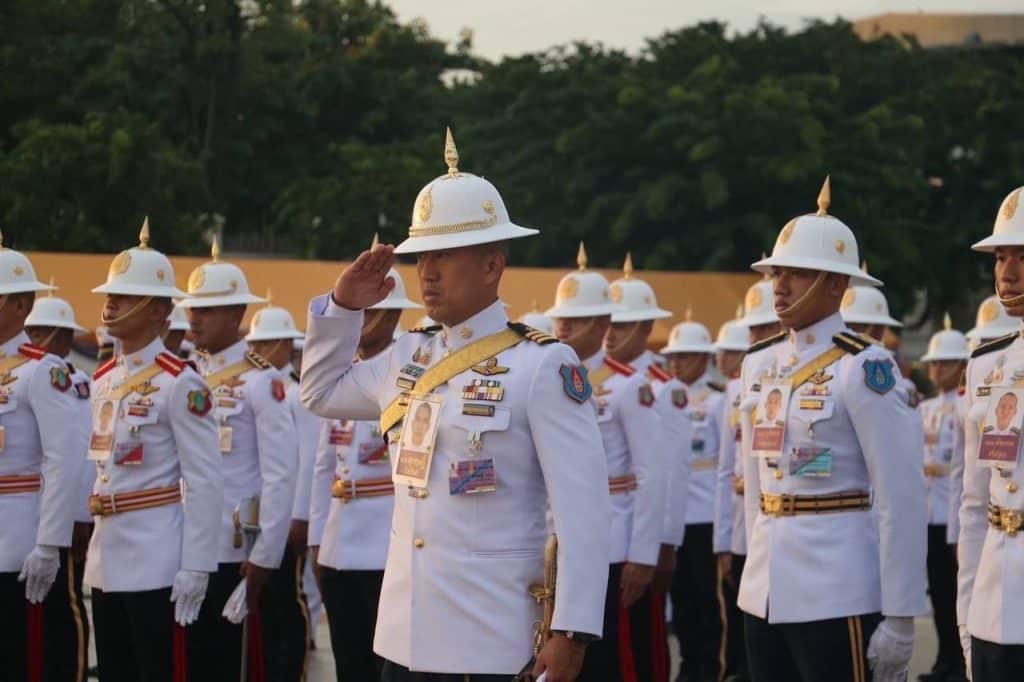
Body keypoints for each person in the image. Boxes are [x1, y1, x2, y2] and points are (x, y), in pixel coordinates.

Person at [300, 129, 610, 681]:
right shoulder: (407, 355)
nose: (428, 272)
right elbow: (320, 393)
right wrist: (343, 306)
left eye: (445, 254)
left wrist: (571, 631)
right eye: (422, 257)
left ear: (493, 265)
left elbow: (583, 512)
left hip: (487, 632)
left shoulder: (542, 365)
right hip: (405, 627)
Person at [739, 178, 927, 682]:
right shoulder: (759, 364)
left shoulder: (863, 368)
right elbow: (755, 482)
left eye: (797, 274)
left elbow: (899, 495)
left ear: (837, 285)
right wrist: (751, 564)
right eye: (776, 273)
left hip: (836, 585)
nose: (779, 286)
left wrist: (901, 613)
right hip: (764, 587)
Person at [85, 219, 223, 682]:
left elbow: (204, 480)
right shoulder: (104, 381)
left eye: (123, 296)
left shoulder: (179, 384)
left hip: (157, 558)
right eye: (111, 293)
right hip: (109, 555)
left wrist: (198, 565)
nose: (110, 303)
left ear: (156, 310)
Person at [178, 238, 298, 682]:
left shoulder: (260, 382)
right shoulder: (186, 376)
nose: (195, 318)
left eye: (208, 309)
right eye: (193, 308)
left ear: (236, 315)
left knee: (234, 663)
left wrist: (266, 555)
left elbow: (281, 474)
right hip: (186, 543)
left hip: (234, 548)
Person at [308, 255, 421, 680]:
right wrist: (319, 541)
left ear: (393, 314)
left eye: (374, 311)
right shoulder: (347, 379)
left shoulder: (409, 377)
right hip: (341, 541)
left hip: (385, 543)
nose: (364, 320)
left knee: (387, 667)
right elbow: (324, 469)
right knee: (348, 663)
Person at [604, 252, 690, 682]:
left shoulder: (663, 388)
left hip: (642, 536)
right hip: (611, 531)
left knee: (641, 643)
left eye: (620, 325)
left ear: (644, 328)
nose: (610, 334)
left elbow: (670, 472)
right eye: (607, 322)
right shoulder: (597, 379)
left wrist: (664, 545)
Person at [0, 239, 81, 682]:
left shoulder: (41, 371)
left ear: (20, 304)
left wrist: (50, 542)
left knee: (24, 658)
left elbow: (62, 459)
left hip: (18, 538)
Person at [959, 185, 1024, 681]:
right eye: (1001, 256)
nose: (1007, 271)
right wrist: (966, 612)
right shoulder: (987, 363)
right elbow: (974, 502)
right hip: (994, 597)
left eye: (1022, 255)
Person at [25, 290, 94, 682]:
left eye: (45, 332)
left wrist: (79, 514)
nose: (36, 339)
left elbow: (81, 448)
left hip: (56, 510)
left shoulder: (71, 381)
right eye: (32, 331)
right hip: (24, 509)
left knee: (65, 603)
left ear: (66, 339)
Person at [245, 296, 315, 681]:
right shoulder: (255, 387)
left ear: (287, 345)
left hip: (286, 518)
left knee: (287, 602)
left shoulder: (296, 392)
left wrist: (299, 516)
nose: (257, 351)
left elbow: (304, 461)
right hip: (259, 516)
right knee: (262, 608)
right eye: (255, 344)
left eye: (266, 343)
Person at [660, 313, 726, 682]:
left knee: (707, 599)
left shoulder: (716, 401)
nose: (677, 362)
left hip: (705, 515)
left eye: (685, 355)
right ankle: (688, 663)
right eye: (673, 356)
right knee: (681, 598)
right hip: (675, 515)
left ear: (704, 358)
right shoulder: (666, 397)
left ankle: (708, 666)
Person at [917, 314, 970, 682]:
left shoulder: (965, 405)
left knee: (956, 594)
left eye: (945, 362)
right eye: (933, 363)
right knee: (937, 592)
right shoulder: (924, 409)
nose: (937, 369)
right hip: (928, 513)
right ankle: (943, 657)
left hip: (954, 511)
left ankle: (959, 660)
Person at [710, 307, 750, 682]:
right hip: (740, 524)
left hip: (776, 524)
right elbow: (725, 468)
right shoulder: (734, 390)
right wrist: (723, 541)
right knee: (737, 617)